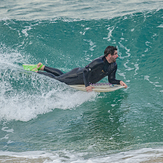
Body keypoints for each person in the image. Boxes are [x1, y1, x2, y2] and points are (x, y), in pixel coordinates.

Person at [35, 46, 127, 92]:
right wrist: (87, 85)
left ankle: (43, 67)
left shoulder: (113, 65)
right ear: (109, 55)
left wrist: (119, 82)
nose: (117, 56)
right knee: (58, 80)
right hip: (78, 75)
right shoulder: (99, 62)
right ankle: (37, 72)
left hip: (82, 78)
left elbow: (111, 79)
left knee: (62, 76)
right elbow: (86, 70)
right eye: (115, 54)